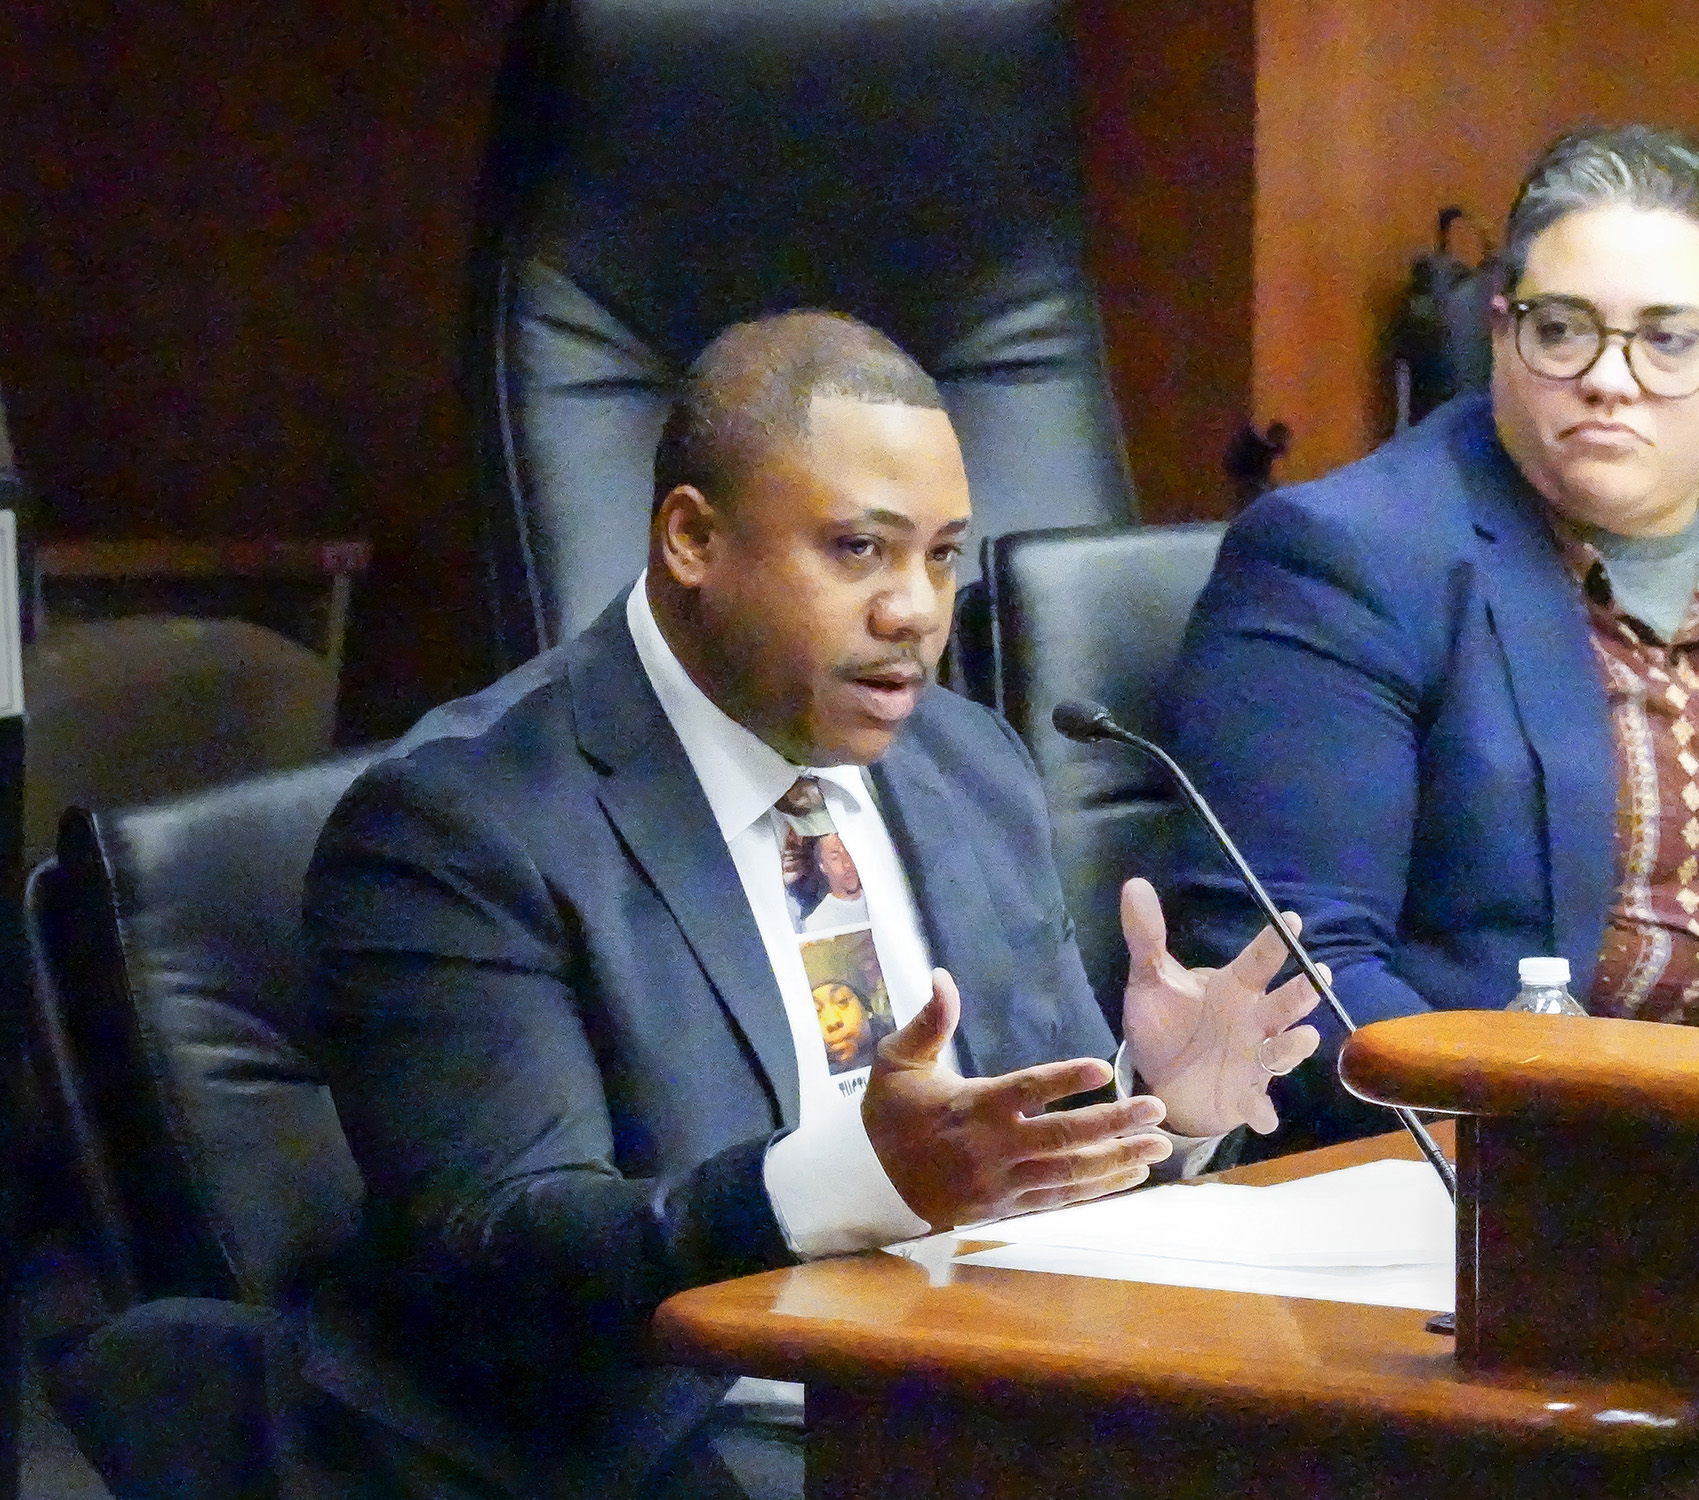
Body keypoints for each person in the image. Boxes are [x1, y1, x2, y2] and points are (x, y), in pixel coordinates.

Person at [303, 311, 1323, 1500]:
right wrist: (847, 1182)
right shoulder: (463, 825)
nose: (917, 612)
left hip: (983, 1403)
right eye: (858, 552)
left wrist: (1159, 1117)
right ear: (692, 537)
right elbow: (507, 1257)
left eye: (942, 555)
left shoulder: (966, 764)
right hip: (662, 1436)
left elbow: (1003, 1165)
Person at [1168, 124, 1699, 1152]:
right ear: (1501, 332)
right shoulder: (1346, 559)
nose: (1611, 379)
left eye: (1670, 339)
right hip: (1551, 1174)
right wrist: (1548, 1152)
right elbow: (1296, 968)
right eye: (1563, 329)